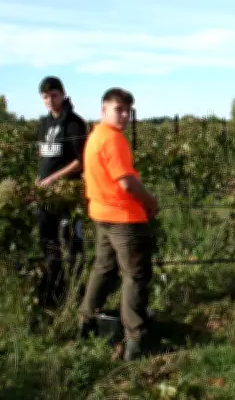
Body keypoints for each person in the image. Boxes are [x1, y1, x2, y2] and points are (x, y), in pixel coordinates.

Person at [78, 88, 158, 362]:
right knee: (135, 277)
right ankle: (136, 339)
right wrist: (150, 201)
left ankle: (86, 322)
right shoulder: (113, 139)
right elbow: (126, 182)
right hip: (124, 218)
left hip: (101, 214)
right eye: (118, 109)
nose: (124, 116)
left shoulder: (95, 136)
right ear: (104, 110)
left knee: (103, 268)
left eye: (128, 111)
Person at [34, 76, 88, 308]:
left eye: (54, 95)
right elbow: (42, 154)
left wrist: (54, 179)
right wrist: (39, 181)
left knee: (70, 242)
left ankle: (76, 292)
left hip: (66, 193)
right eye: (45, 97)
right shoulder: (44, 123)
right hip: (45, 195)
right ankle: (54, 288)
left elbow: (79, 161)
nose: (50, 101)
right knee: (48, 242)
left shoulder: (74, 123)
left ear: (63, 94)